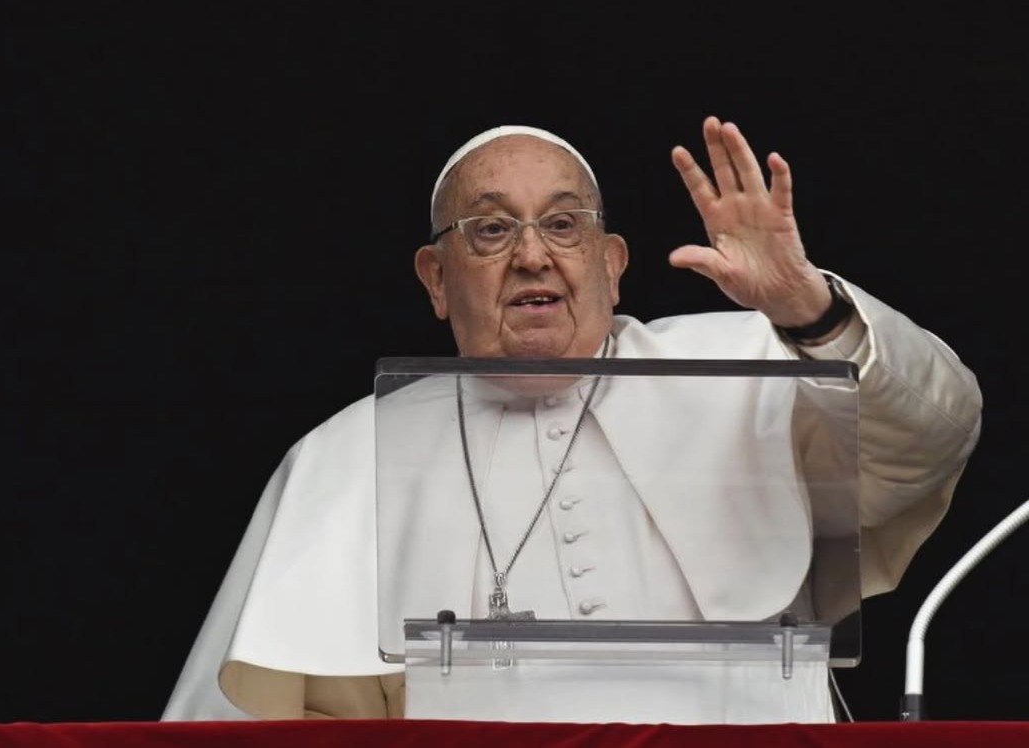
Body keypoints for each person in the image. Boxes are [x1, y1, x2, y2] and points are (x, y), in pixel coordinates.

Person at [161, 117, 982, 723]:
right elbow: (259, 723)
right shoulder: (346, 455)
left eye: (563, 224)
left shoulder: (759, 368)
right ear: (436, 279)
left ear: (612, 265)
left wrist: (809, 311)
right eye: (489, 229)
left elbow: (938, 432)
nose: (531, 254)